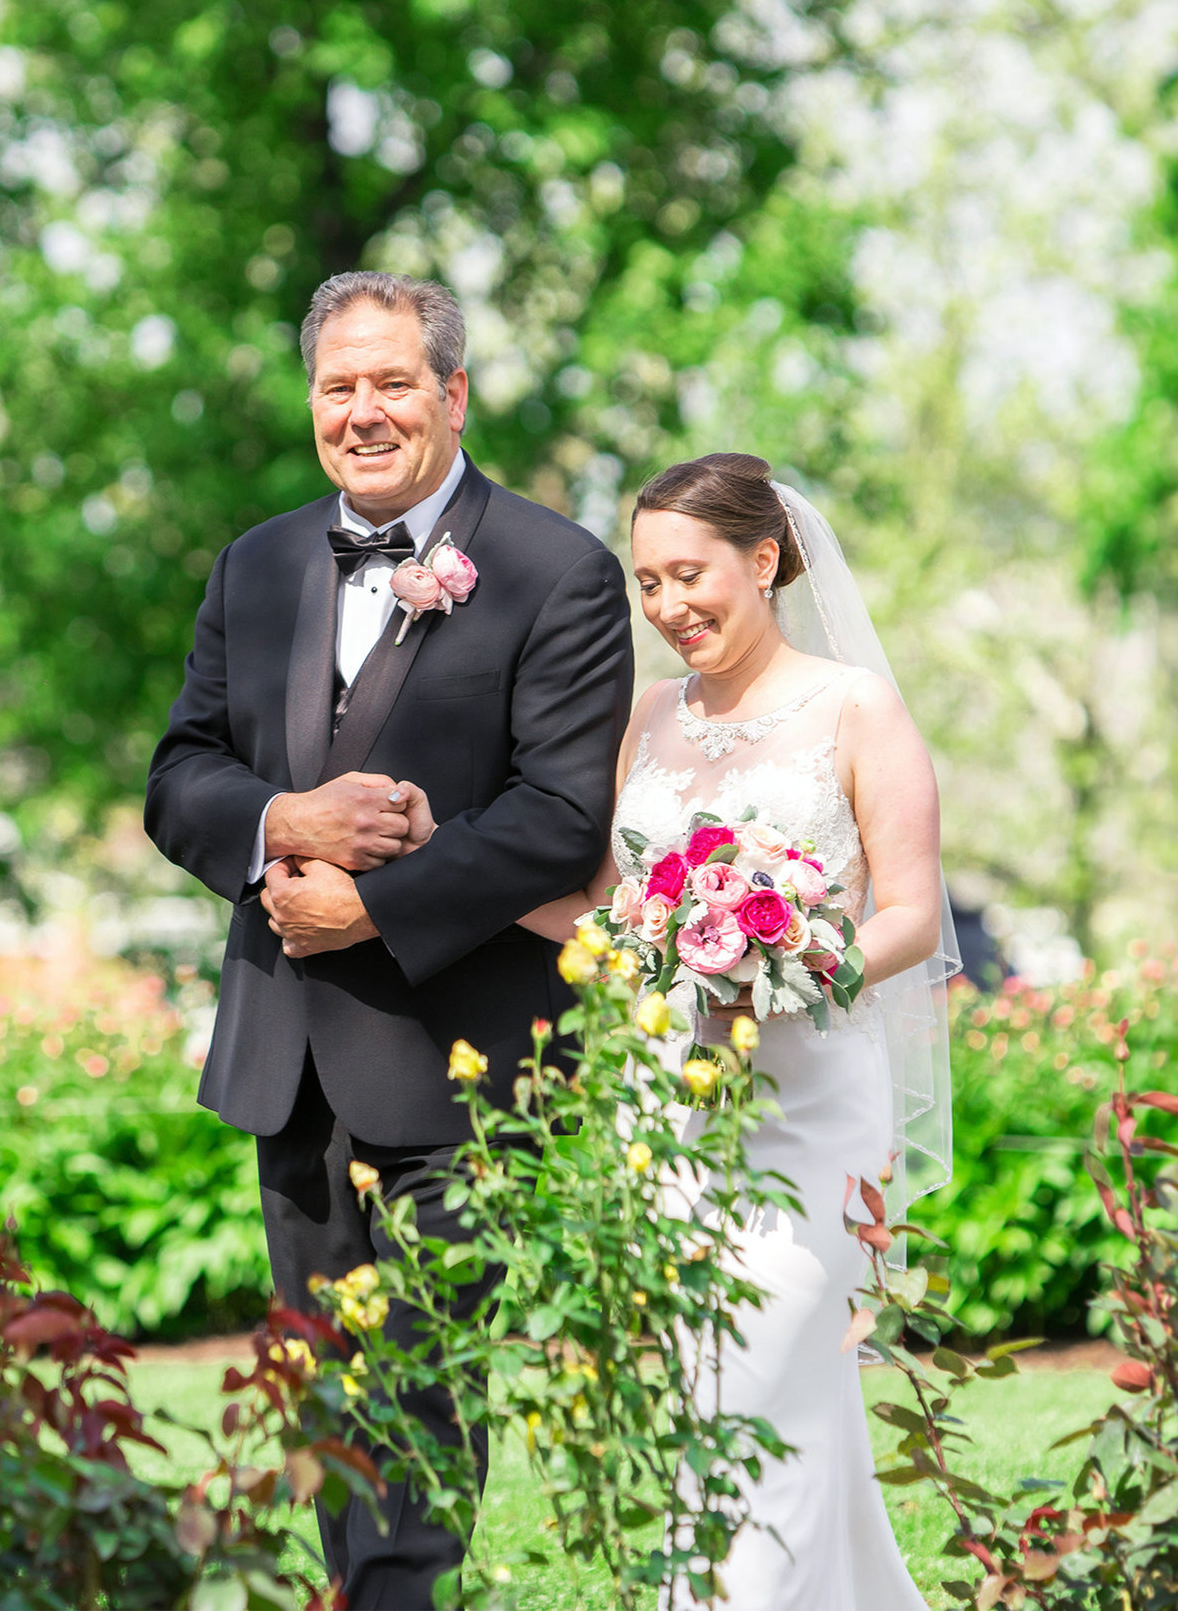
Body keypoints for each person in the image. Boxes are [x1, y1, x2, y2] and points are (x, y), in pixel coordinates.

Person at [144, 270, 633, 1604]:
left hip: (459, 1065)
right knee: (325, 1398)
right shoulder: (252, 567)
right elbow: (176, 776)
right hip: (286, 1062)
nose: (362, 411)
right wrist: (283, 816)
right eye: (337, 385)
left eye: (392, 381)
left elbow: (560, 818)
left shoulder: (559, 571)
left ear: (453, 392)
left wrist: (371, 901)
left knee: (417, 1394)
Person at [519, 453, 954, 1610]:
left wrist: (793, 970)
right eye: (646, 583)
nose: (667, 609)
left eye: (688, 575)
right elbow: (617, 907)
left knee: (761, 1380)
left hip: (810, 1102)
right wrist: (455, 880)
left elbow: (910, 909)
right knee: (732, 1401)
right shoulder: (649, 717)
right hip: (669, 1110)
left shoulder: (854, 705)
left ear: (762, 561)